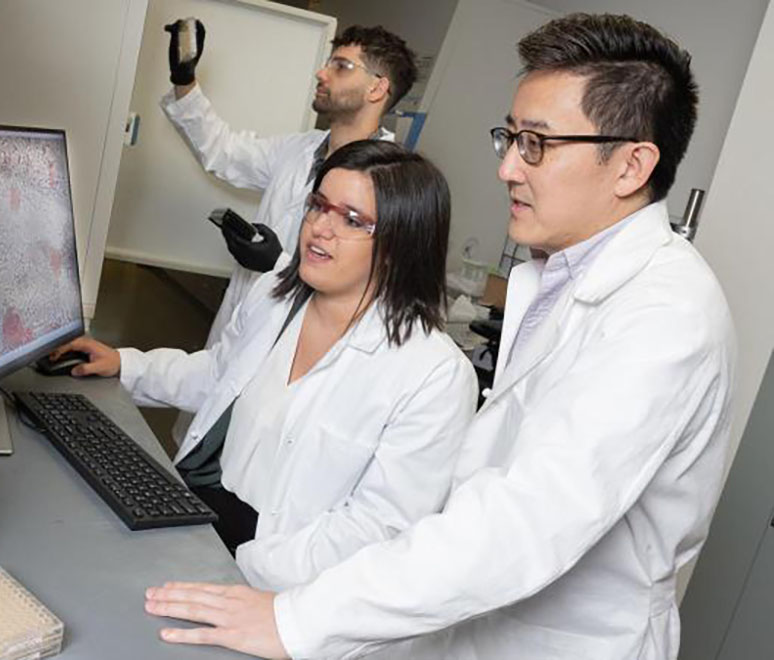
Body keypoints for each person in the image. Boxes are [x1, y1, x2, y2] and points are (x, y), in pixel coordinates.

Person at [143, 13, 737, 660]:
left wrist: (297, 620)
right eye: (509, 138)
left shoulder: (665, 314)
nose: (508, 167)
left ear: (630, 166)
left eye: (536, 143)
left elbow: (524, 523)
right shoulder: (558, 277)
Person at [57, 141, 476, 591]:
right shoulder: (277, 292)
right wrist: (126, 364)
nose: (320, 229)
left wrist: (236, 568)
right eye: (319, 206)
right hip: (195, 517)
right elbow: (220, 376)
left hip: (282, 578)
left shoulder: (434, 374)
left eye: (352, 220)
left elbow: (378, 530)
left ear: (401, 244)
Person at [162, 22, 418, 348]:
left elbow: (364, 292)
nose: (321, 73)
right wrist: (184, 81)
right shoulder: (296, 149)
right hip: (238, 329)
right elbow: (223, 152)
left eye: (341, 66)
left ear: (377, 89)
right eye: (328, 63)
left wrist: (277, 266)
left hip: (299, 346)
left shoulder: (393, 185)